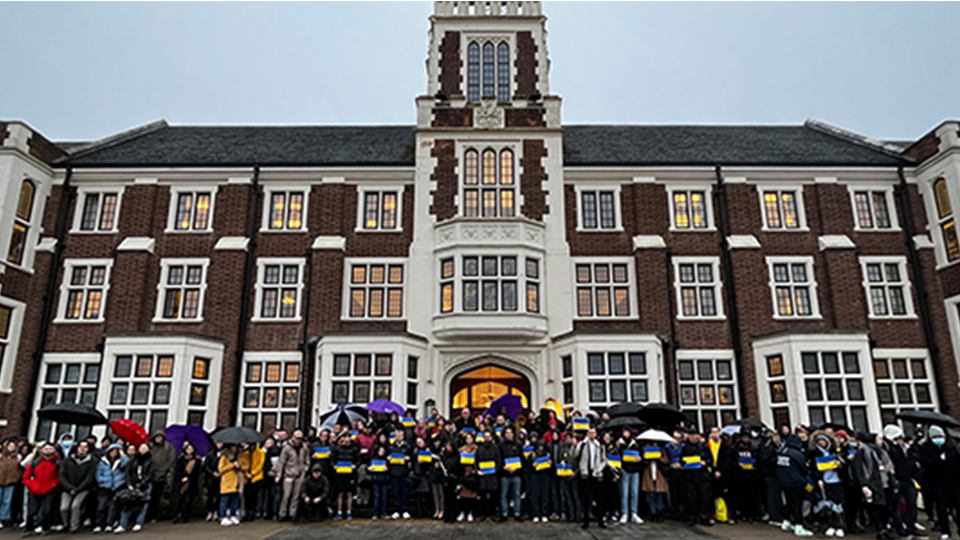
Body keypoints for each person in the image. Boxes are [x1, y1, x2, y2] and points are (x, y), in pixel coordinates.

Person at [918, 426, 959, 540]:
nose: (939, 439)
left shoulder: (950, 448)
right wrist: (939, 460)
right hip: (937, 484)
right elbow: (925, 464)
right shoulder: (926, 449)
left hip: (953, 483)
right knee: (941, 509)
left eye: (940, 436)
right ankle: (945, 531)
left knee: (957, 507)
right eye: (936, 437)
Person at [853, 432, 895, 540]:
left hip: (884, 483)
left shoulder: (882, 452)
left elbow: (888, 467)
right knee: (876, 508)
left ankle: (885, 529)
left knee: (887, 507)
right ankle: (880, 530)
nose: (881, 441)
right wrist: (864, 484)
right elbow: (859, 469)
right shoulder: (862, 452)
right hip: (872, 483)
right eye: (879, 439)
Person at [882, 425, 920, 539]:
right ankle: (899, 527)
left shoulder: (902, 448)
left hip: (907, 479)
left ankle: (911, 526)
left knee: (911, 504)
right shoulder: (888, 448)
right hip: (896, 480)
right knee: (896, 506)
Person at [810, 431, 845, 538]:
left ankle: (840, 526)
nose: (822, 443)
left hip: (837, 480)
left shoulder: (835, 452)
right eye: (819, 441)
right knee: (828, 503)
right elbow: (814, 469)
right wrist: (818, 479)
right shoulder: (815, 454)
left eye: (823, 441)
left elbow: (844, 463)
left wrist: (840, 465)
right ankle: (831, 525)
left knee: (838, 503)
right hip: (825, 481)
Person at [778, 432, 813, 537]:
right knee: (797, 504)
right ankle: (799, 525)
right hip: (796, 482)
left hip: (783, 481)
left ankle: (786, 521)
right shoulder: (796, 454)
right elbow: (803, 468)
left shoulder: (782, 452)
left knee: (788, 502)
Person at [23, 442, 60, 536]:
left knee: (46, 510)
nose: (48, 451)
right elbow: (26, 476)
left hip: (48, 489)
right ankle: (29, 528)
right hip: (35, 489)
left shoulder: (57, 462)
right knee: (32, 510)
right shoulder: (35, 462)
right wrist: (31, 484)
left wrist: (53, 485)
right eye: (46, 449)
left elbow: (58, 476)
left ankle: (44, 527)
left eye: (50, 449)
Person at [60, 440, 97, 533]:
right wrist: (69, 488)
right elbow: (62, 475)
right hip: (68, 488)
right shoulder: (67, 460)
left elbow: (90, 477)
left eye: (85, 447)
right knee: (64, 508)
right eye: (80, 447)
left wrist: (79, 488)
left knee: (75, 506)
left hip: (83, 488)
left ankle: (74, 526)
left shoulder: (91, 462)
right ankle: (65, 524)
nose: (82, 449)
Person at [117, 443, 152, 534]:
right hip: (132, 485)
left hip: (145, 485)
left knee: (143, 504)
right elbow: (128, 473)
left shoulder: (151, 460)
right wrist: (129, 484)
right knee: (127, 503)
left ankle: (138, 522)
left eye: (145, 448)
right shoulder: (133, 461)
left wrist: (143, 483)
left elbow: (151, 473)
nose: (143, 450)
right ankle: (122, 524)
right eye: (141, 448)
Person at [575, 427, 606, 529]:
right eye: (590, 433)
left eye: (593, 433)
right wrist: (583, 441)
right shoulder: (583, 444)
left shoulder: (600, 445)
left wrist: (599, 469)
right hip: (586, 473)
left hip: (596, 474)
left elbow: (604, 460)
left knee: (600, 499)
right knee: (586, 499)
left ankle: (601, 520)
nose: (591, 435)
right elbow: (576, 454)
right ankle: (586, 520)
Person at [275, 430, 310, 521]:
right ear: (293, 437)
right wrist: (279, 475)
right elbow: (281, 462)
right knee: (286, 495)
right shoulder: (286, 448)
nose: (299, 440)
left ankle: (292, 514)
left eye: (300, 438)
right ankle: (282, 513)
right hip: (289, 474)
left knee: (296, 496)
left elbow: (307, 459)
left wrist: (305, 468)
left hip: (300, 474)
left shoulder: (304, 447)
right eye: (297, 438)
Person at [680, 431, 713, 526]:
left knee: (704, 497)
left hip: (703, 475)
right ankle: (692, 517)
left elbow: (710, 460)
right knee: (691, 498)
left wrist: (705, 463)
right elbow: (681, 460)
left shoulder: (704, 447)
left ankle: (704, 517)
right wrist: (686, 462)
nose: (694, 437)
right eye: (692, 436)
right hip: (690, 476)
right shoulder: (685, 447)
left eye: (696, 435)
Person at [93, 443, 126, 533]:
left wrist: (122, 454)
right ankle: (99, 524)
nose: (114, 453)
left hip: (116, 487)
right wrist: (104, 482)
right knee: (101, 507)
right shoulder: (102, 462)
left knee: (113, 507)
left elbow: (126, 464)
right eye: (112, 451)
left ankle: (109, 524)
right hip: (104, 487)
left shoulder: (120, 462)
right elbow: (98, 475)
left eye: (116, 451)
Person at [707, 426, 736, 524]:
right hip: (711, 473)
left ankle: (728, 516)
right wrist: (714, 470)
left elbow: (727, 461)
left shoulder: (726, 447)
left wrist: (720, 471)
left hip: (724, 474)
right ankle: (712, 515)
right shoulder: (707, 446)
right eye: (712, 432)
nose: (714, 434)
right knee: (712, 496)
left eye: (716, 432)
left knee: (726, 495)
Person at [756, 430, 782, 526]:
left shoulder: (764, 445)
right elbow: (765, 459)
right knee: (773, 496)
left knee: (771, 495)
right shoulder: (768, 446)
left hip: (767, 473)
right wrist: (776, 458)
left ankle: (773, 514)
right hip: (770, 473)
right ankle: (774, 516)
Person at [147, 433, 174, 523]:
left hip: (162, 475)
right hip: (150, 474)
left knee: (156, 496)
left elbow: (171, 460)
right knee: (148, 496)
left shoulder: (168, 448)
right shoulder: (150, 448)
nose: (158, 439)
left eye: (160, 437)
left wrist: (164, 470)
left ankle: (153, 515)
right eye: (157, 437)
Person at [618, 428, 643, 524]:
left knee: (634, 493)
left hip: (635, 470)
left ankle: (634, 513)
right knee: (624, 493)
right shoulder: (619, 444)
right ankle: (624, 513)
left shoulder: (636, 443)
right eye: (624, 432)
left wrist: (640, 458)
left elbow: (642, 455)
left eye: (627, 432)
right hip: (625, 470)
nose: (626, 434)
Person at [331, 431, 359, 520]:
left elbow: (359, 459)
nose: (347, 439)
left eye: (348, 437)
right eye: (345, 437)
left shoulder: (354, 448)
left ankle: (349, 511)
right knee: (340, 493)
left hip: (350, 473)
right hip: (340, 473)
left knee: (349, 493)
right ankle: (339, 512)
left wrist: (355, 465)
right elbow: (332, 459)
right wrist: (334, 466)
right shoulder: (337, 448)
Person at [498, 427, 523, 521]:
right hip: (505, 474)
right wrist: (503, 467)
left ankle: (517, 513)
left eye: (510, 433)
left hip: (516, 473)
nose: (509, 434)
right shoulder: (500, 446)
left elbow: (521, 459)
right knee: (503, 495)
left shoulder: (518, 445)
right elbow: (499, 459)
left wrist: (517, 468)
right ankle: (504, 514)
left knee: (517, 495)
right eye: (507, 433)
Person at [641, 439, 668, 522]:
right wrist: (645, 457)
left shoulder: (662, 449)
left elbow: (666, 460)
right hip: (649, 473)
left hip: (659, 474)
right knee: (651, 494)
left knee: (659, 494)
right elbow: (643, 462)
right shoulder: (645, 448)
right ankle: (653, 513)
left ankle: (659, 512)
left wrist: (659, 457)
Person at [172, 442, 199, 523]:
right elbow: (177, 470)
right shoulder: (181, 459)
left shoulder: (196, 460)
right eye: (188, 449)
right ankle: (177, 515)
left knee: (188, 500)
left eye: (191, 449)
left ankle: (185, 515)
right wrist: (183, 477)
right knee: (179, 499)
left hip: (191, 482)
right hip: (181, 481)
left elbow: (197, 472)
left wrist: (189, 478)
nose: (189, 450)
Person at [388, 430, 412, 519]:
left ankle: (405, 510)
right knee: (395, 492)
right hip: (394, 472)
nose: (398, 438)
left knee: (404, 492)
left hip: (404, 472)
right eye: (397, 436)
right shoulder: (391, 446)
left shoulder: (407, 446)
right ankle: (396, 510)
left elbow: (411, 457)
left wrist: (408, 458)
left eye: (400, 436)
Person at [0, 439, 23, 528]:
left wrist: (16, 477)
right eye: (10, 446)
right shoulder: (1, 455)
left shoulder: (18, 457)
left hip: (11, 481)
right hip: (0, 480)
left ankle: (4, 518)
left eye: (13, 446)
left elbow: (20, 468)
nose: (11, 448)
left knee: (7, 501)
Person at [218, 445, 242, 526]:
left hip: (235, 482)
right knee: (225, 501)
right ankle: (223, 516)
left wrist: (238, 466)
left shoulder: (237, 458)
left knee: (234, 500)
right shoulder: (224, 458)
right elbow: (221, 470)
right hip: (227, 482)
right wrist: (232, 465)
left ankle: (233, 515)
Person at [457, 433, 479, 522]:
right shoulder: (462, 449)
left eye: (470, 438)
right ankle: (462, 512)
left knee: (472, 495)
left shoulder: (476, 449)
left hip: (473, 473)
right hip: (464, 473)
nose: (469, 440)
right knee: (462, 495)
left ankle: (471, 512)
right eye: (467, 438)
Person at [529, 441, 552, 523]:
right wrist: (532, 465)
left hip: (545, 476)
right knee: (535, 495)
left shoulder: (548, 454)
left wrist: (550, 464)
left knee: (545, 495)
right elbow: (528, 465)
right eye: (539, 446)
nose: (541, 448)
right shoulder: (532, 454)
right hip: (535, 476)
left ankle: (544, 514)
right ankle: (535, 514)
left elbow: (552, 467)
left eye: (542, 446)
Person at [242, 443, 265, 522]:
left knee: (254, 496)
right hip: (246, 477)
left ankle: (253, 512)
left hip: (256, 477)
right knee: (247, 496)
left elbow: (260, 465)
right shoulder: (246, 453)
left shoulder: (261, 453)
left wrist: (252, 473)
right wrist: (246, 473)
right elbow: (243, 464)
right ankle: (247, 512)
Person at [202, 444, 221, 522]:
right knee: (210, 496)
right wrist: (212, 473)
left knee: (218, 496)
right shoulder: (210, 454)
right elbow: (205, 466)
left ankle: (216, 512)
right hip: (210, 478)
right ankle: (210, 512)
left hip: (220, 477)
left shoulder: (224, 454)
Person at [428, 438, 445, 520]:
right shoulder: (430, 451)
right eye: (435, 442)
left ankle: (442, 510)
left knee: (441, 494)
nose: (436, 443)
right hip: (433, 474)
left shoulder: (442, 451)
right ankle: (437, 510)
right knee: (435, 494)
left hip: (441, 475)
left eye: (438, 441)